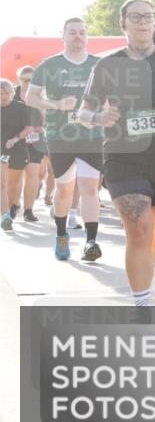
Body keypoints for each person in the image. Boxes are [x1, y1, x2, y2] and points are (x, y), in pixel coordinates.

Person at [79, 0, 155, 305]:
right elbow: (83, 112)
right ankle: (142, 304)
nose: (143, 22)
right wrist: (98, 117)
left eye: (148, 16)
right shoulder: (107, 65)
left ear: (154, 21)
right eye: (135, 17)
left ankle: (146, 270)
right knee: (137, 228)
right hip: (125, 156)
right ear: (123, 24)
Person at [24, 18, 105, 260]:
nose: (78, 36)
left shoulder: (99, 65)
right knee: (64, 189)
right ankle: (61, 235)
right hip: (61, 136)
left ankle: (91, 242)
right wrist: (56, 104)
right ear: (64, 36)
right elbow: (31, 97)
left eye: (82, 32)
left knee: (90, 188)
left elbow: (112, 97)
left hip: (92, 135)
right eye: (73, 33)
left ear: (87, 36)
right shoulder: (49, 65)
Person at [14, 66, 45, 224]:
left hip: (36, 140)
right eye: (24, 79)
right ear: (18, 79)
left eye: (31, 80)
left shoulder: (40, 95)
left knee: (32, 174)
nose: (27, 82)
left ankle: (28, 210)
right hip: (15, 140)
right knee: (16, 175)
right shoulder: (10, 93)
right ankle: (14, 205)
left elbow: (47, 118)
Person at [0, 79, 32, 232]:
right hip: (1, 150)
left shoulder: (20, 107)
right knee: (2, 184)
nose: (4, 96)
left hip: (17, 148)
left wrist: (16, 138)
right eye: (0, 94)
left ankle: (14, 205)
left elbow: (29, 128)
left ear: (12, 93)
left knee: (13, 184)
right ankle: (5, 216)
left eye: (7, 93)